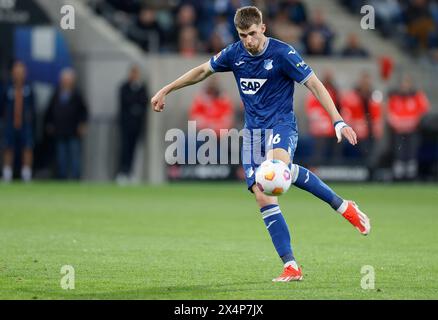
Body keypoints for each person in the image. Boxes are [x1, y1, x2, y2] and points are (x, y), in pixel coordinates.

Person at [151, 6, 370, 282]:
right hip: (253, 134)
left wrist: (338, 120)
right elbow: (202, 71)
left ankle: (343, 207)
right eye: (243, 35)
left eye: (253, 34)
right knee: (262, 193)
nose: (248, 41)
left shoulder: (283, 53)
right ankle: (291, 265)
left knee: (279, 170)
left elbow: (314, 84)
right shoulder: (235, 53)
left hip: (281, 125)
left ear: (263, 29)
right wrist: (165, 89)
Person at [45, 68, 88, 180]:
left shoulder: (77, 94)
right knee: (61, 156)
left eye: (68, 80)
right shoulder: (56, 93)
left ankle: (75, 177)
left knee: (74, 156)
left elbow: (84, 111)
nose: (66, 82)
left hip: (73, 131)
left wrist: (82, 124)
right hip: (60, 130)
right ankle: (62, 177)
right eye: (64, 79)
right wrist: (50, 124)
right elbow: (49, 111)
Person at [387, 74, 430, 180]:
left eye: (407, 84)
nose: (405, 86)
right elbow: (389, 114)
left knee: (412, 153)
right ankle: (398, 175)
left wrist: (413, 122)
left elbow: (424, 112)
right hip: (398, 131)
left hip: (413, 131)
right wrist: (398, 123)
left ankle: (411, 175)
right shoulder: (395, 98)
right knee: (399, 153)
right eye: (403, 84)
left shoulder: (418, 96)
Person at [1, 61, 35, 183]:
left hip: (25, 124)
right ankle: (7, 174)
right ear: (13, 73)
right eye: (17, 72)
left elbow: (32, 108)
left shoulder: (29, 88)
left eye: (21, 72)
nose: (19, 75)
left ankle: (26, 174)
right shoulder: (7, 87)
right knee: (8, 148)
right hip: (10, 124)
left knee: (27, 148)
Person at [116, 64, 148, 184]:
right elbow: (125, 102)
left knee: (133, 149)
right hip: (125, 124)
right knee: (125, 148)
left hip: (137, 125)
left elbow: (144, 102)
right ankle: (122, 172)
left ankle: (130, 172)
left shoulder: (142, 88)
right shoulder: (124, 87)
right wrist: (135, 108)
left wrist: (136, 108)